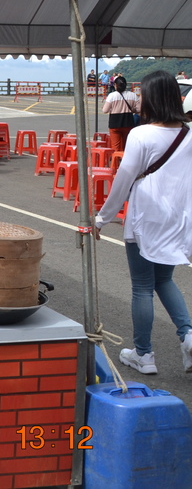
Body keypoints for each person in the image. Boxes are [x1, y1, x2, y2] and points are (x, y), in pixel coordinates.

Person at [96, 70, 192, 375]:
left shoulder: (141, 134)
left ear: (149, 98)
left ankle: (144, 353)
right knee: (164, 280)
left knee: (142, 287)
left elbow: (123, 180)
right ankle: (188, 336)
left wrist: (102, 218)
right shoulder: (189, 134)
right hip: (177, 219)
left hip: (144, 219)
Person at [101, 75, 141, 152]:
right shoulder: (133, 95)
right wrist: (132, 109)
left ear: (115, 85)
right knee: (127, 145)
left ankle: (116, 161)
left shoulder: (112, 96)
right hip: (128, 122)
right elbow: (139, 109)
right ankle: (126, 161)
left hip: (115, 123)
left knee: (116, 147)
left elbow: (105, 110)